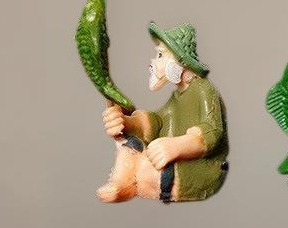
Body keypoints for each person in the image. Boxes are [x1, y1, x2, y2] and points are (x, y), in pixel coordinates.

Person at [98, 23, 228, 203]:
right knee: (130, 146)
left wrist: (177, 146)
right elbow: (158, 121)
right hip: (174, 164)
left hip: (202, 169)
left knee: (144, 167)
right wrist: (126, 123)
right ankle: (120, 184)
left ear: (179, 63)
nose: (154, 62)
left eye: (160, 55)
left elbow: (212, 131)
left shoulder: (204, 90)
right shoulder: (177, 97)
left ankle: (130, 184)